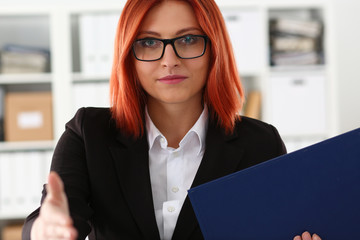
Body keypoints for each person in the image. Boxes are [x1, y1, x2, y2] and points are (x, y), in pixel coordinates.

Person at [22, 0, 322, 239]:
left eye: (189, 39)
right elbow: (54, 217)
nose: (170, 60)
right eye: (149, 43)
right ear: (129, 56)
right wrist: (44, 230)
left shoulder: (260, 143)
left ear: (214, 50)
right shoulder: (89, 133)